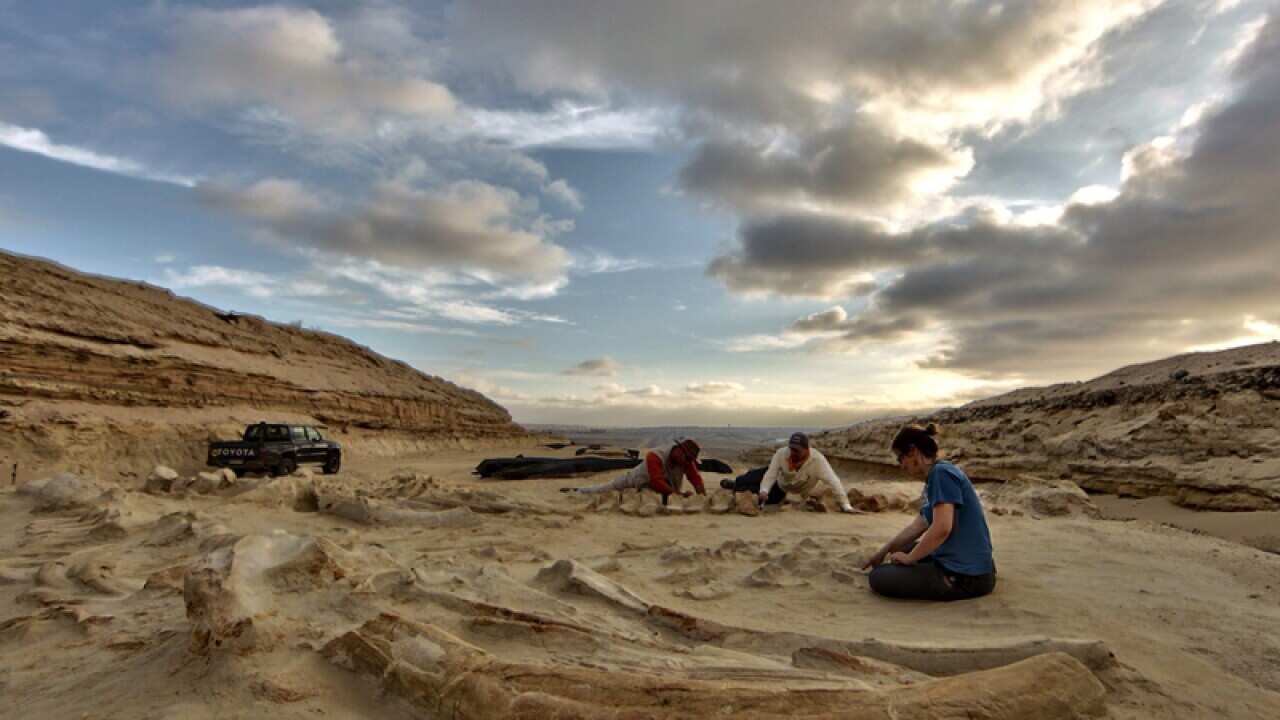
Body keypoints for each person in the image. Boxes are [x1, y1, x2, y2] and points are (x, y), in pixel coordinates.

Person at [862, 424, 996, 601]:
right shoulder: (937, 475)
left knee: (878, 577)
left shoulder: (941, 474)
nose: (901, 466)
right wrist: (883, 552)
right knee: (899, 549)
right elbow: (919, 525)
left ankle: (941, 577)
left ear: (913, 451)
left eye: (900, 458)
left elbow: (942, 528)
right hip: (971, 566)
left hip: (966, 577)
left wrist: (910, 559)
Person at [721, 432, 857, 513]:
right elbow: (771, 474)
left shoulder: (818, 460)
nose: (793, 452)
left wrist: (846, 506)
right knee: (745, 479)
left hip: (783, 489)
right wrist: (764, 490)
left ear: (806, 449)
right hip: (777, 478)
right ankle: (735, 483)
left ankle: (734, 487)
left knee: (755, 493)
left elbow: (834, 481)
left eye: (797, 450)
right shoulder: (782, 453)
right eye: (791, 448)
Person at [561, 438, 706, 502]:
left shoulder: (686, 460)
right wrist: (679, 494)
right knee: (605, 489)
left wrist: (702, 497)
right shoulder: (655, 455)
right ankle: (577, 490)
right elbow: (656, 481)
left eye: (690, 460)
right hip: (635, 480)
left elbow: (695, 478)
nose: (688, 463)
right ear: (680, 451)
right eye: (687, 459)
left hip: (663, 489)